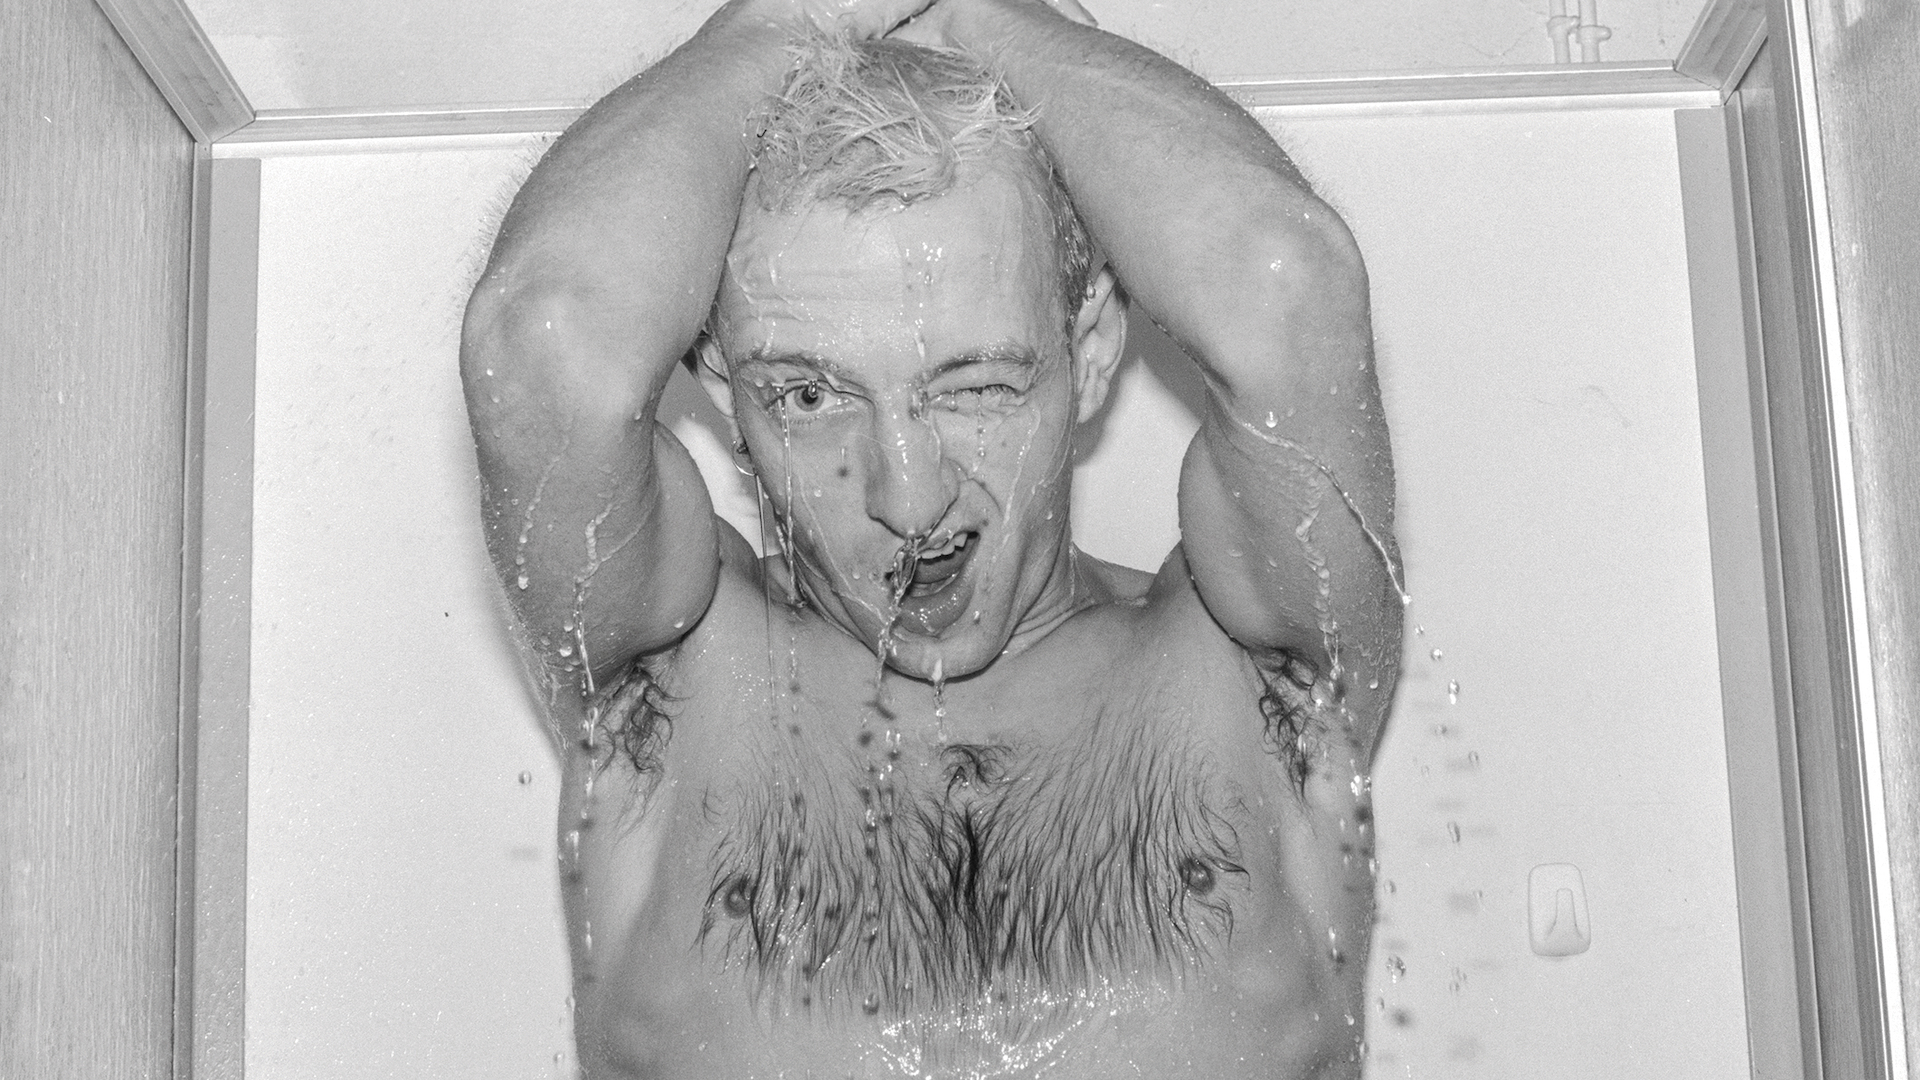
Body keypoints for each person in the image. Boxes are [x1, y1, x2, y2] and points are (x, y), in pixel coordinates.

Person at [460, 0, 1401, 1075]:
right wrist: (788, 19)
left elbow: (1286, 282)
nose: (909, 498)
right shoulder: (668, 682)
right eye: (809, 395)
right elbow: (542, 339)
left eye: (978, 388)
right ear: (723, 391)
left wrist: (986, 14)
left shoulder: (1250, 662)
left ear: (1089, 352)